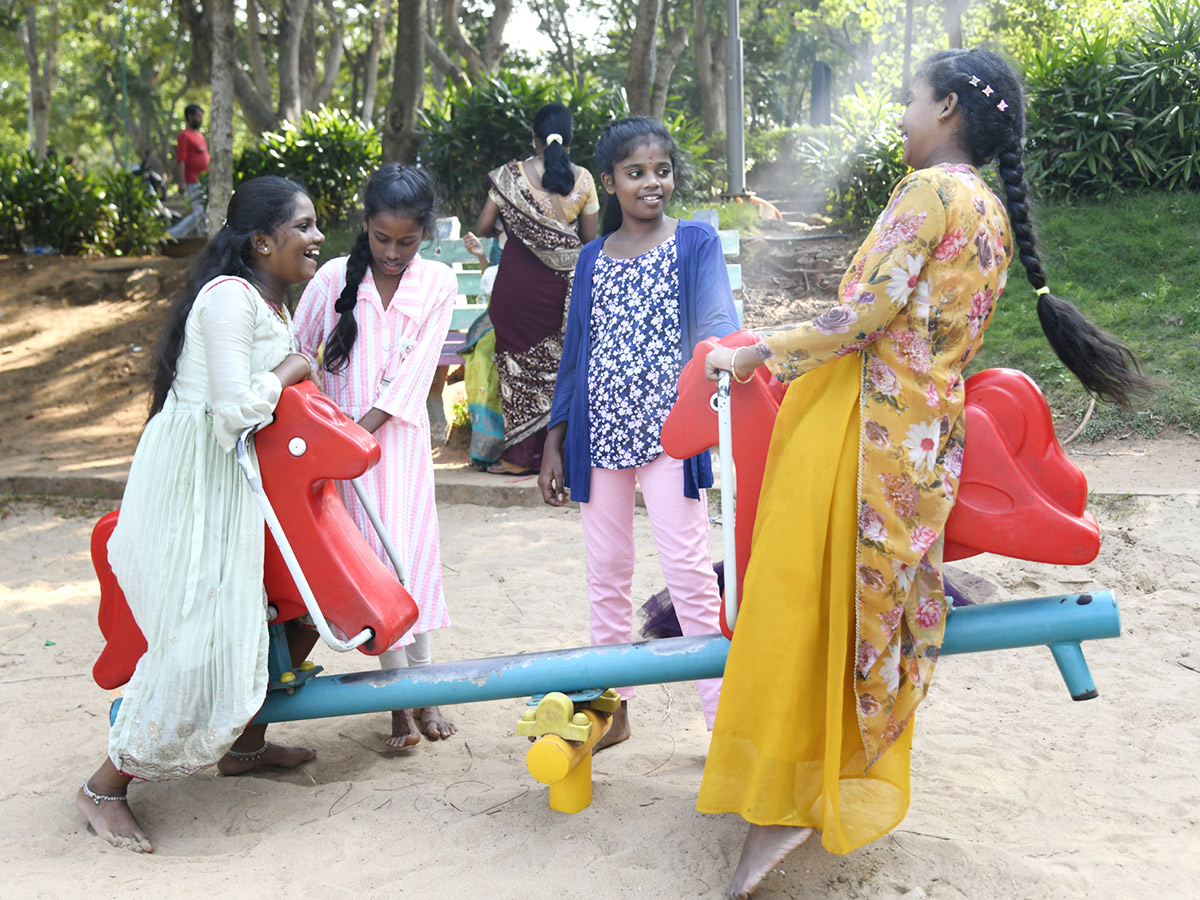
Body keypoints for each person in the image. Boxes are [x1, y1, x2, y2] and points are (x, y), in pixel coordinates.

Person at [697, 48, 1152, 899]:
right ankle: (823, 778)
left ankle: (797, 795)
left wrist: (764, 347)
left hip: (861, 426)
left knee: (810, 603)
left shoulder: (929, 193)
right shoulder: (989, 209)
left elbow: (868, 313)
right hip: (926, 437)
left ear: (946, 107)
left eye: (911, 100)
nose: (902, 116)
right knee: (872, 609)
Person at [77, 176, 326, 853]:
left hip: (232, 482)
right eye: (302, 226)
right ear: (262, 241)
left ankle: (244, 746)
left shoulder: (267, 303)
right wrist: (292, 371)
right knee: (195, 636)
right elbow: (231, 411)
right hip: (194, 483)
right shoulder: (228, 300)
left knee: (291, 607)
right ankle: (106, 786)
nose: (315, 237)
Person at [539, 117, 741, 749]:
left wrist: (718, 372)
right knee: (606, 572)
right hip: (599, 435)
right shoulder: (592, 258)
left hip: (669, 437)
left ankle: (723, 721)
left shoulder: (696, 243)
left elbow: (716, 323)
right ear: (609, 182)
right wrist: (554, 436)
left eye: (661, 170)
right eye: (635, 173)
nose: (652, 184)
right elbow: (576, 353)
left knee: (688, 573)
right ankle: (612, 709)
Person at [293, 163, 459, 749]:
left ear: (426, 234)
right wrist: (324, 441)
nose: (392, 252)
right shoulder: (332, 278)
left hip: (396, 449)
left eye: (406, 242)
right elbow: (296, 355)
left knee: (410, 561)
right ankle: (397, 700)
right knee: (368, 568)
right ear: (365, 226)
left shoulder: (437, 282)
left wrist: (355, 440)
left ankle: (427, 689)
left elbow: (412, 381)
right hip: (337, 461)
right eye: (382, 239)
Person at [473, 101, 599, 476]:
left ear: (534, 138)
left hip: (516, 288)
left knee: (518, 369)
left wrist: (511, 225)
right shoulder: (585, 180)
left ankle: (518, 458)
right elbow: (589, 240)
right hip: (563, 293)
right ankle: (565, 456)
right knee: (563, 369)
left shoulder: (509, 176)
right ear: (570, 141)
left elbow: (483, 225)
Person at [457, 228, 506, 469]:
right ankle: (485, 451)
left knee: (498, 363)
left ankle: (505, 451)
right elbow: (491, 285)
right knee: (481, 363)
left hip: (521, 322)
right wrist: (480, 256)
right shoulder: (499, 240)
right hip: (493, 323)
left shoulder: (531, 233)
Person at [168, 103, 210, 239]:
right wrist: (182, 182)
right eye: (198, 116)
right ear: (190, 116)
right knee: (200, 213)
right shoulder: (184, 136)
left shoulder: (200, 136)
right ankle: (175, 235)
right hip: (192, 180)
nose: (200, 119)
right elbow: (182, 160)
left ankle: (175, 235)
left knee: (202, 212)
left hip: (203, 181)